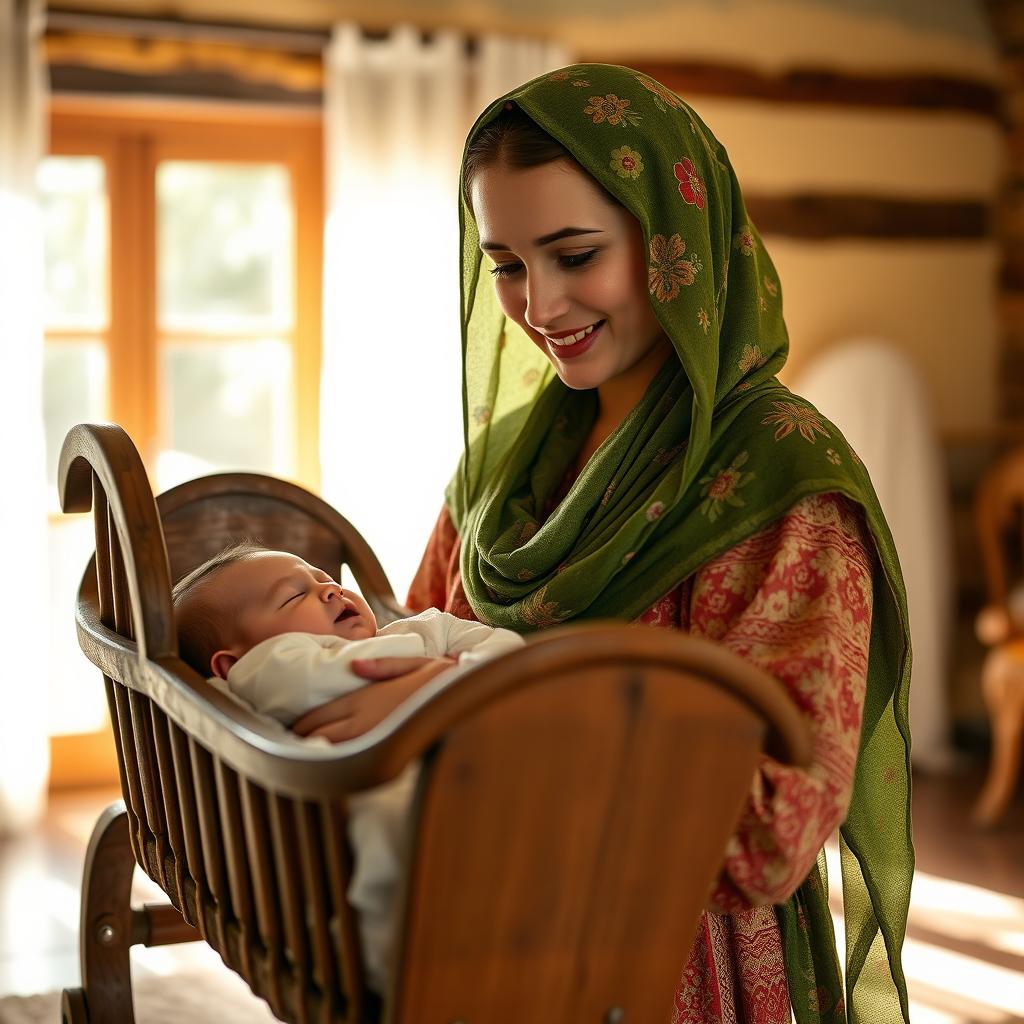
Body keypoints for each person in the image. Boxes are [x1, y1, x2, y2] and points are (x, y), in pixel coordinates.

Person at [295, 64, 913, 1024]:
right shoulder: (507, 467)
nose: (538, 305)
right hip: (464, 942)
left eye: (575, 255)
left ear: (679, 244)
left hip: (653, 970)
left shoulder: (779, 480)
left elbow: (775, 829)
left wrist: (471, 703)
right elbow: (405, 660)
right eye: (505, 264)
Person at [171, 541, 523, 994]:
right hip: (388, 783)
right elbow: (309, 679)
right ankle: (389, 969)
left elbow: (512, 657)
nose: (331, 591)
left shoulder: (428, 628)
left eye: (327, 579)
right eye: (294, 596)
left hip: (481, 761)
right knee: (389, 828)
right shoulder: (258, 676)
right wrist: (454, 670)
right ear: (232, 663)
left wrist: (442, 671)